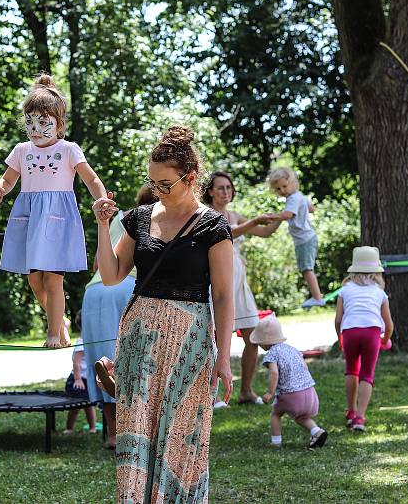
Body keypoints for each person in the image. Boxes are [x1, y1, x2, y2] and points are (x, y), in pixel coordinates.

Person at [92, 125, 234, 502]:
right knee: (136, 425)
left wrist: (223, 357)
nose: (157, 191)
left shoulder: (213, 225)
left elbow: (222, 295)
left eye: (165, 184)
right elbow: (110, 275)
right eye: (152, 182)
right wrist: (103, 225)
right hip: (140, 339)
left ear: (190, 179)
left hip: (189, 342)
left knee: (182, 430)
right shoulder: (138, 218)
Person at [0, 74, 108, 348]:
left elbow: (91, 179)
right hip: (28, 216)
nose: (35, 129)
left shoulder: (69, 150)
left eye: (43, 122)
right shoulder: (21, 150)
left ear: (59, 124)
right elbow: (8, 180)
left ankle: (54, 332)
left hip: (57, 219)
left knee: (53, 277)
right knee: (33, 278)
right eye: (30, 122)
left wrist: (101, 199)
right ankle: (58, 319)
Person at [81, 185, 156, 449]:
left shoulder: (119, 217)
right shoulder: (157, 217)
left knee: (104, 359)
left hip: (94, 290)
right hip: (126, 285)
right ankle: (135, 430)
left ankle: (113, 433)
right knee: (134, 358)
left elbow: (97, 265)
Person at [203, 171, 281, 405]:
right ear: (210, 191)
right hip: (216, 281)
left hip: (240, 282)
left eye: (229, 187)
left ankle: (246, 390)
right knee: (214, 338)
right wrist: (254, 221)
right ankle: (212, 395)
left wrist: (284, 215)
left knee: (252, 337)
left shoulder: (235, 214)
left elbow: (264, 232)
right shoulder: (207, 215)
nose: (226, 192)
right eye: (220, 188)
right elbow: (229, 232)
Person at [333, 246, 394, 432]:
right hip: (372, 333)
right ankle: (359, 417)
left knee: (351, 369)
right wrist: (385, 340)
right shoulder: (379, 293)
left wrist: (340, 338)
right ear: (377, 271)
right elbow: (389, 325)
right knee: (367, 374)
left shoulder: (344, 290)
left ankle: (350, 411)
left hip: (350, 332)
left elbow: (338, 320)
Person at [253, 315, 328, 449]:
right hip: (310, 392)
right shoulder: (292, 349)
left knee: (276, 414)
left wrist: (270, 393)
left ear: (264, 341)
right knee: (301, 417)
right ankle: (317, 431)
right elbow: (305, 366)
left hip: (290, 395)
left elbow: (274, 373)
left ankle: (276, 443)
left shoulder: (272, 354)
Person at [267, 167, 325, 308]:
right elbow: (311, 208)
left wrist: (271, 216)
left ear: (292, 182)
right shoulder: (299, 196)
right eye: (278, 189)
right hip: (308, 237)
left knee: (306, 269)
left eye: (285, 186)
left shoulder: (292, 198)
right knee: (307, 267)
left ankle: (317, 297)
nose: (283, 191)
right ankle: (317, 294)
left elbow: (288, 215)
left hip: (303, 239)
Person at [64, 330, 97, 434]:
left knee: (89, 405)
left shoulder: (92, 341)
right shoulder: (82, 342)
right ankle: (69, 428)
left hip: (87, 380)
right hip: (78, 380)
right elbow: (76, 363)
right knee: (75, 406)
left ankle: (92, 428)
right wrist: (78, 379)